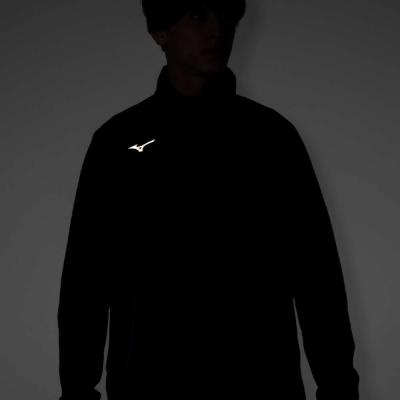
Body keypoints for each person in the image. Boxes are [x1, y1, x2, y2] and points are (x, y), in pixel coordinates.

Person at [57, 1, 360, 399]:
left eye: (226, 16)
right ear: (160, 32)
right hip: (148, 386)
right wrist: (77, 391)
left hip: (261, 386)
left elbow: (317, 274)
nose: (218, 30)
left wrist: (339, 387)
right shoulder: (119, 142)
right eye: (198, 16)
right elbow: (86, 280)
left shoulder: (272, 138)